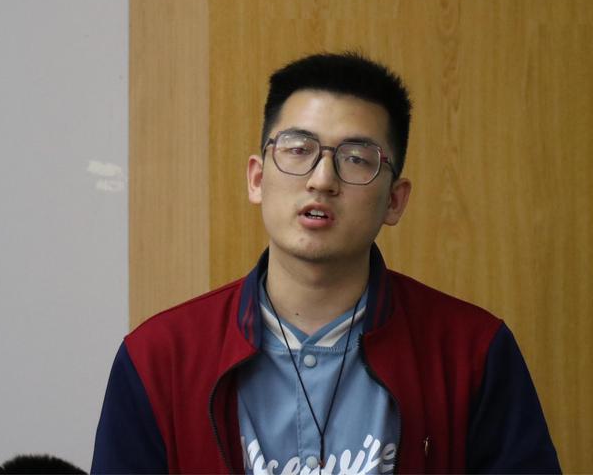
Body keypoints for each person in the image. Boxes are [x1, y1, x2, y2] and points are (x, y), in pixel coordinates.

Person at [92, 52, 561, 474]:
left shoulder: (471, 352)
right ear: (257, 179)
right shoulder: (158, 358)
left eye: (356, 159)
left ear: (394, 201)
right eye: (299, 150)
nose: (322, 179)